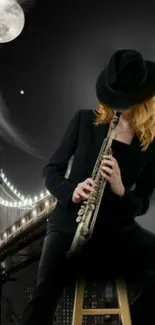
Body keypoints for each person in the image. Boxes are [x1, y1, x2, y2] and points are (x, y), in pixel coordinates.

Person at [19, 49, 155, 325]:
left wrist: (119, 188)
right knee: (45, 292)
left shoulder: (150, 143)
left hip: (116, 229)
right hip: (70, 222)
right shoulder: (83, 120)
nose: (118, 106)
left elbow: (141, 203)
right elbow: (51, 170)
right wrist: (72, 190)